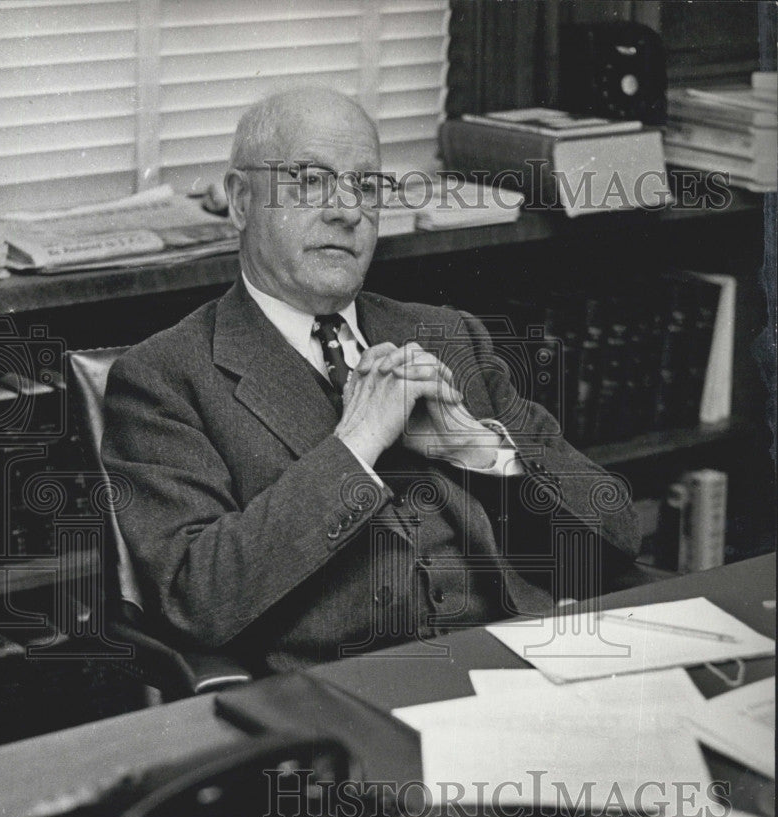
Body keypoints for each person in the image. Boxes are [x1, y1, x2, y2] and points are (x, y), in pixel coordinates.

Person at [102, 88, 640, 674]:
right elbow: (195, 599)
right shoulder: (165, 378)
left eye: (366, 186)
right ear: (240, 200)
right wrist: (354, 447)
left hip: (523, 665)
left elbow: (616, 533)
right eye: (309, 180)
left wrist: (482, 453)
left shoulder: (449, 336)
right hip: (344, 703)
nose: (346, 211)